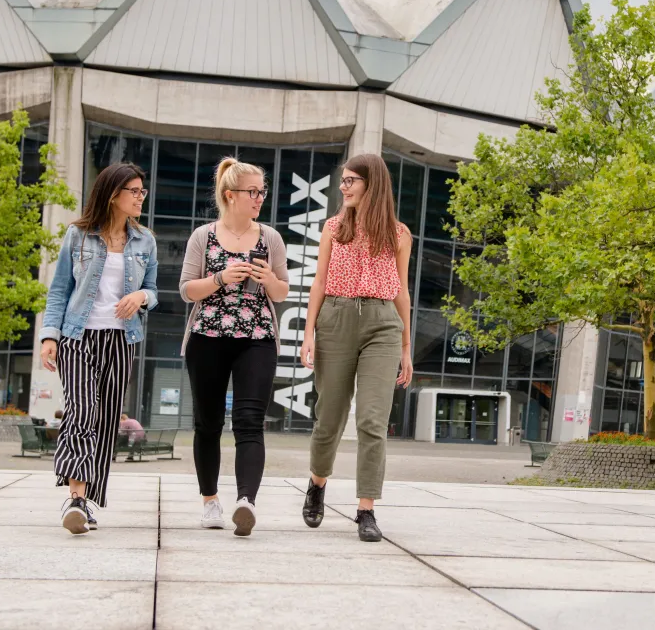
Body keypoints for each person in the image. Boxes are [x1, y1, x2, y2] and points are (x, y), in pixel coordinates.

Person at [299, 154, 413, 542]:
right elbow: (318, 282)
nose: (344, 186)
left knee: (372, 419)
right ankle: (317, 484)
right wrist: (308, 332)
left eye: (351, 181)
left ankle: (366, 509)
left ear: (372, 184)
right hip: (336, 318)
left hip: (383, 324)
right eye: (343, 181)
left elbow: (402, 292)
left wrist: (406, 347)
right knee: (329, 416)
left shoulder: (399, 234)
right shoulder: (333, 228)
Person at [41, 162, 159, 535]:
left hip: (121, 340)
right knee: (82, 409)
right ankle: (74, 499)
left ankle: (86, 501)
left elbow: (154, 291)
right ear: (113, 194)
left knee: (107, 421)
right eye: (135, 191)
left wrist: (141, 295)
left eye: (143, 191)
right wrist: (49, 336)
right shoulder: (78, 236)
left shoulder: (145, 240)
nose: (141, 197)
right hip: (78, 336)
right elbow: (59, 289)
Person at [179, 158, 290, 537]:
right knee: (207, 423)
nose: (260, 198)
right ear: (230, 195)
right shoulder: (203, 235)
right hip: (207, 338)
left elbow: (281, 292)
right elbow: (186, 289)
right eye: (253, 192)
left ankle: (247, 501)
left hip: (256, 338)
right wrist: (221, 278)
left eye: (263, 191)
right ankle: (210, 501)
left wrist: (268, 277)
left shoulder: (271, 238)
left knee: (248, 421)